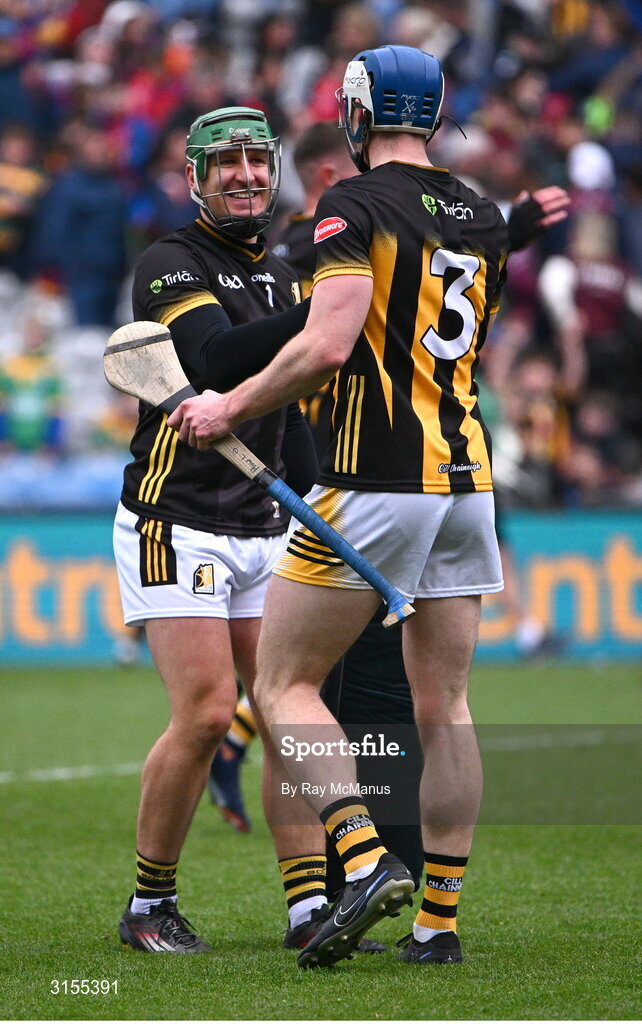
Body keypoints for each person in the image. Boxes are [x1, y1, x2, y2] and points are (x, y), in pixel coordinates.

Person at [168, 44, 541, 969]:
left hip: (375, 478)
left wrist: (228, 403)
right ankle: (438, 926)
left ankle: (367, 859)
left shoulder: (354, 204)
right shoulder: (483, 212)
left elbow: (328, 345)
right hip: (467, 481)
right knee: (445, 705)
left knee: (284, 684)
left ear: (359, 116)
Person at [114, 105, 332, 953]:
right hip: (177, 519)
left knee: (283, 706)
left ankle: (310, 906)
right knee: (209, 714)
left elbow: (286, 416)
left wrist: (320, 497)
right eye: (225, 162)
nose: (244, 174)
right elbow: (214, 361)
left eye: (255, 158)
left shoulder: (281, 274)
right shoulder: (171, 263)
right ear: (196, 179)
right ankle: (148, 905)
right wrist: (327, 322)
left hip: (264, 523)